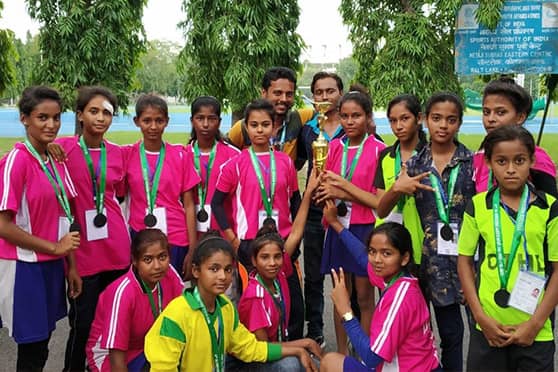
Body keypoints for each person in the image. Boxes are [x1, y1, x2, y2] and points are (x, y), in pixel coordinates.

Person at [458, 125, 558, 371]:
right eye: (502, 161)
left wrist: (534, 325)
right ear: (490, 163)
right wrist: (480, 317)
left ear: (532, 161)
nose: (511, 169)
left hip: (535, 331)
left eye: (520, 160)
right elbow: (464, 262)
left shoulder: (550, 208)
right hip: (488, 328)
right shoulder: (478, 206)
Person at [144, 233, 319, 372]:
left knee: (291, 364)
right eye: (214, 269)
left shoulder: (226, 307)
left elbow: (250, 348)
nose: (222, 276)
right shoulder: (176, 315)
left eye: (228, 269)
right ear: (196, 271)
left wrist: (297, 349)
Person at [390, 92, 475, 371]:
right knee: (417, 334)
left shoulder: (471, 163)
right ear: (426, 120)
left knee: (454, 333)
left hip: (463, 262)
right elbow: (382, 210)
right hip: (424, 265)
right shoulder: (413, 165)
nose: (443, 126)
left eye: (451, 120)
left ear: (460, 123)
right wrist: (396, 189)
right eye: (436, 118)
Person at [49, 86, 131, 371]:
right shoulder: (61, 149)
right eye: (93, 111)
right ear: (80, 114)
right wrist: (47, 146)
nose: (100, 118)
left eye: (106, 113)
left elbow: (117, 195)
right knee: (82, 323)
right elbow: (35, 147)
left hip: (116, 247)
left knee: (113, 322)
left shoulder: (119, 153)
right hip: (81, 249)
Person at [0, 86, 81, 371]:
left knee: (43, 343)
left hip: (51, 266)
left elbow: (65, 215)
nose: (51, 125)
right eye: (42, 118)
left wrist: (70, 264)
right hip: (25, 266)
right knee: (31, 349)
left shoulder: (54, 159)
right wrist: (54, 248)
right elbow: (2, 225)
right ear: (24, 119)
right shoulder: (16, 161)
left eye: (56, 118)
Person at [212, 99, 304, 338]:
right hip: (249, 244)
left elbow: (294, 200)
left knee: (290, 301)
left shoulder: (285, 162)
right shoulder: (235, 164)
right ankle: (255, 354)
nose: (260, 130)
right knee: (253, 304)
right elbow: (216, 203)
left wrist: (294, 233)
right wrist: (233, 239)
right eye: (254, 125)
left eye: (265, 124)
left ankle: (291, 348)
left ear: (274, 127)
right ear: (246, 128)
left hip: (282, 243)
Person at [321, 202, 441, 371]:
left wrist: (346, 312)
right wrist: (335, 223)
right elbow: (361, 257)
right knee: (331, 361)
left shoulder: (400, 298)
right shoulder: (397, 278)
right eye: (372, 251)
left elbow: (371, 358)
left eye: (386, 253)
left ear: (405, 258)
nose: (377, 259)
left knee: (329, 362)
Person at [314, 90, 386, 354]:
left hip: (365, 229)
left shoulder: (379, 150)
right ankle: (342, 353)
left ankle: (365, 351)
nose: (350, 121)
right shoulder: (332, 147)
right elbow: (323, 185)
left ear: (368, 117)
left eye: (356, 115)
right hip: (335, 225)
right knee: (340, 295)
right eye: (344, 116)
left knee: (365, 297)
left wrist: (341, 192)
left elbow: (378, 201)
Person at [86, 229, 184, 371]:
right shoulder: (123, 293)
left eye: (162, 257)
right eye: (148, 259)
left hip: (149, 343)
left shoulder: (169, 274)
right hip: (113, 356)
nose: (157, 266)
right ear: (135, 261)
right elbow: (116, 357)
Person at [123, 94, 200, 275]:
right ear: (137, 121)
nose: (153, 127)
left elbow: (189, 205)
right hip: (141, 236)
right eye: (147, 120)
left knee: (173, 294)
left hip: (175, 237)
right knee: (146, 295)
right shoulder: (127, 155)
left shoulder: (180, 155)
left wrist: (193, 247)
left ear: (166, 121)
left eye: (159, 120)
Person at [296, 71, 344, 347]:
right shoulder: (308, 129)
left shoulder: (351, 126)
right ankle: (315, 328)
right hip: (314, 210)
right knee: (313, 274)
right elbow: (298, 163)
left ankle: (354, 326)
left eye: (330, 91)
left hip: (343, 211)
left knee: (346, 273)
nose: (324, 97)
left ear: (340, 92)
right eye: (319, 93)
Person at [474, 77, 557, 196]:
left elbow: (550, 206)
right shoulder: (481, 154)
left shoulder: (537, 157)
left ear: (520, 117)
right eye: (486, 112)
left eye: (500, 112)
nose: (490, 119)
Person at [374, 94, 428, 266]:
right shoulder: (386, 156)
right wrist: (396, 189)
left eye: (405, 119)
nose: (398, 126)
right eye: (392, 120)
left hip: (423, 249)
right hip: (389, 249)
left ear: (418, 118)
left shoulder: (431, 156)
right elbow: (381, 209)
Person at [227, 66, 314, 166]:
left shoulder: (299, 119)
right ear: (264, 93)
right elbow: (222, 154)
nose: (284, 99)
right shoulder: (243, 127)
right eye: (278, 93)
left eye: (289, 94)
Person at [185, 96, 240, 235]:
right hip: (189, 232)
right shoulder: (183, 155)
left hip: (224, 231)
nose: (205, 124)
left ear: (219, 122)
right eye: (200, 118)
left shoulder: (234, 156)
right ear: (192, 121)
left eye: (211, 119)